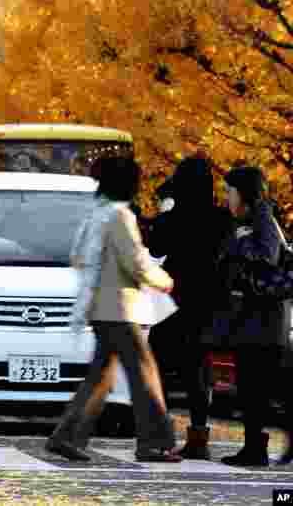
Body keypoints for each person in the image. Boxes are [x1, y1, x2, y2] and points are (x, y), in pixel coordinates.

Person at [45, 156, 181, 463]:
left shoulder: (97, 213)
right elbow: (135, 260)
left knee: (100, 377)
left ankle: (65, 436)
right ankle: (154, 443)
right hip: (122, 308)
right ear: (127, 184)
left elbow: (78, 255)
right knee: (144, 376)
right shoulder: (120, 215)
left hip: (101, 308)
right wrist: (164, 280)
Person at [146, 155, 231, 460]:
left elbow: (155, 249)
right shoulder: (222, 220)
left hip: (174, 300)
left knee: (160, 368)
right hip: (207, 301)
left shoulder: (171, 219)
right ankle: (198, 436)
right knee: (198, 371)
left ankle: (161, 435)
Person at [216, 166, 292, 466]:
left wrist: (240, 240)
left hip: (264, 320)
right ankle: (254, 448)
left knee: (255, 387)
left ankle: (256, 449)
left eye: (229, 191)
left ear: (243, 192)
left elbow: (268, 256)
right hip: (256, 319)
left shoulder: (261, 217)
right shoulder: (250, 219)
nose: (226, 197)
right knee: (252, 387)